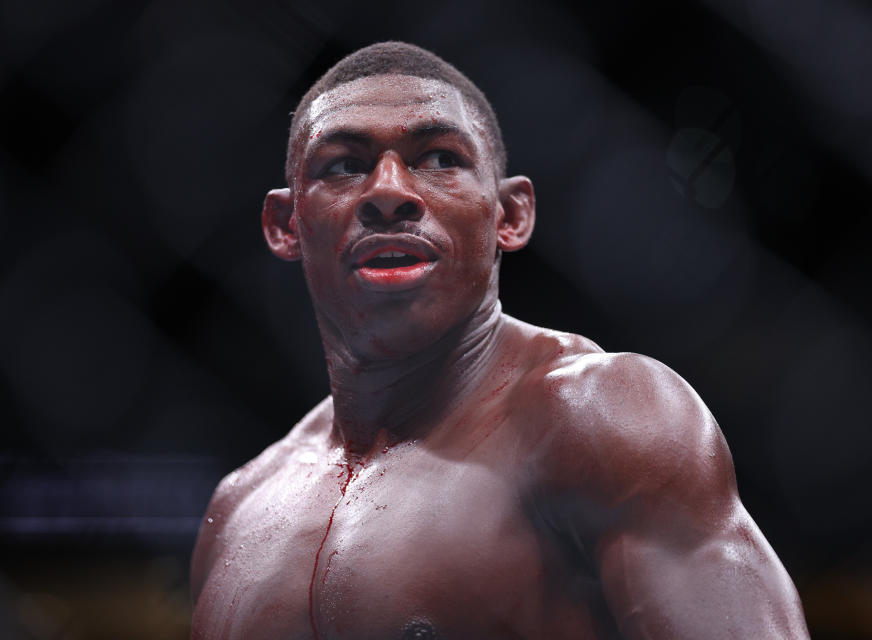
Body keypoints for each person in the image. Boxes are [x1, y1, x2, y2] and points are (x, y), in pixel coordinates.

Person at [190, 42, 810, 639]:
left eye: (438, 158)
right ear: (286, 224)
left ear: (509, 216)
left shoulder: (602, 415)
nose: (387, 192)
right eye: (345, 165)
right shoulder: (242, 504)